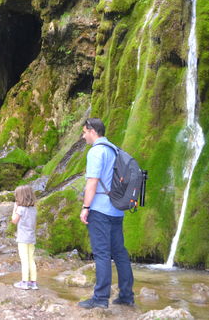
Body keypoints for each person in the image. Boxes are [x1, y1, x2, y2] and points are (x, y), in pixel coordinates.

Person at [78, 118, 134, 309]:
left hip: (100, 209)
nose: (83, 136)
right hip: (117, 209)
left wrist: (86, 207)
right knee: (119, 253)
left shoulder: (96, 151)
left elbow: (92, 183)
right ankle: (126, 295)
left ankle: (100, 298)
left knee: (102, 254)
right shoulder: (114, 149)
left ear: (93, 131)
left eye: (84, 132)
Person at [12, 185, 39, 290]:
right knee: (31, 259)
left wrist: (15, 208)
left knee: (24, 260)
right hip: (31, 237)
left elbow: (14, 220)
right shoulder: (33, 209)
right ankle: (33, 282)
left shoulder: (21, 209)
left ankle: (24, 282)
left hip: (23, 238)